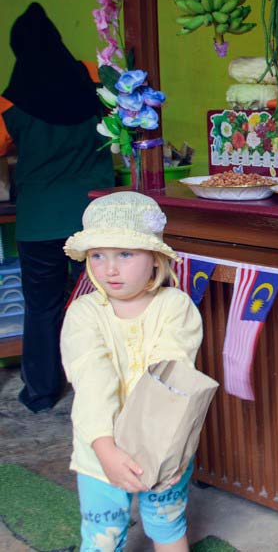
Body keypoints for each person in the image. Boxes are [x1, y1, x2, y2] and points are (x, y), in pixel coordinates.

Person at [60, 192, 202, 552]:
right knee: (102, 537)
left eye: (125, 254)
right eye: (98, 255)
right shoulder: (83, 313)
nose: (109, 269)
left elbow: (170, 376)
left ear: (155, 260)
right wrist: (105, 448)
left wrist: (161, 451)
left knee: (168, 525)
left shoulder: (175, 306)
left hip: (162, 446)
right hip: (99, 451)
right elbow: (93, 379)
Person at [0, 2, 115, 413]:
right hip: (97, 215)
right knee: (104, 302)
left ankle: (42, 391)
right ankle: (105, 387)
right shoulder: (94, 75)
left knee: (43, 306)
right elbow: (133, 107)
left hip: (38, 222)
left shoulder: (10, 103)